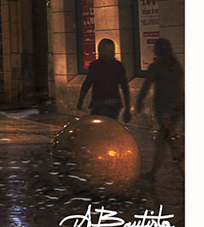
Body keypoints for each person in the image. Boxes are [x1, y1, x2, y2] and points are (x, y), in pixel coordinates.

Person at [135, 38, 185, 184]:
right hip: (176, 108)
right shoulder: (176, 65)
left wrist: (139, 101)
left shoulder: (155, 67)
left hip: (164, 110)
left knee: (171, 143)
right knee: (163, 141)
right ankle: (153, 173)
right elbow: (181, 88)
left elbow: (146, 86)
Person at [77, 38, 132, 123]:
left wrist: (80, 100)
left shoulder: (95, 66)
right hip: (114, 103)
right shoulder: (117, 66)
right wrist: (127, 109)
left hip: (99, 103)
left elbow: (87, 84)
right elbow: (125, 88)